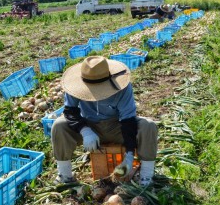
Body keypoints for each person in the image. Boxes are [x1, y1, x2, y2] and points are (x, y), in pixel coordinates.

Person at [51, 56, 158, 186]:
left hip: (116, 127)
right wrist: (85, 130)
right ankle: (65, 175)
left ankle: (146, 176)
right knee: (59, 125)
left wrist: (129, 155)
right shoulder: (75, 87)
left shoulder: (122, 87)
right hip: (90, 127)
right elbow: (70, 111)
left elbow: (128, 120)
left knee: (148, 126)